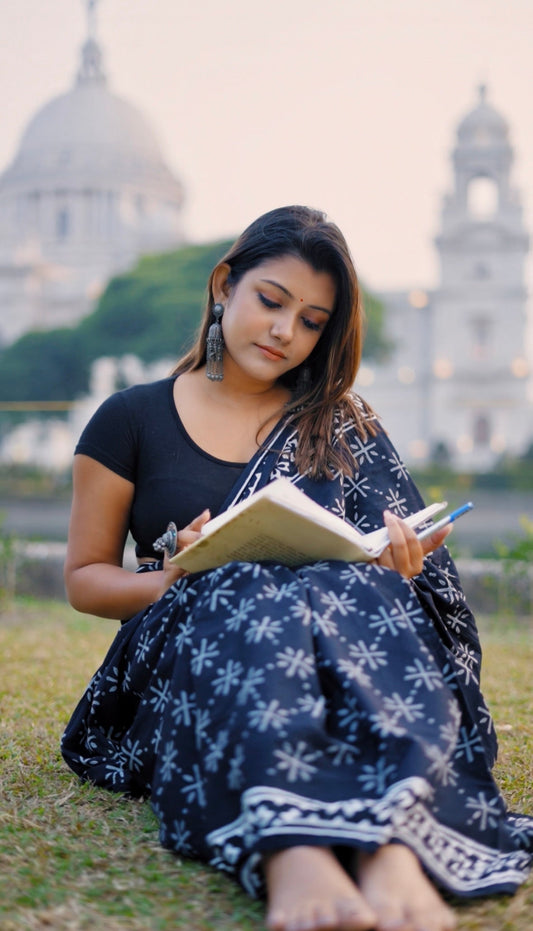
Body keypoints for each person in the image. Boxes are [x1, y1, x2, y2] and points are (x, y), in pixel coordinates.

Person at [61, 205, 533, 931]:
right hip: (190, 662)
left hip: (337, 662)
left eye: (312, 321)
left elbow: (403, 593)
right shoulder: (130, 418)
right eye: (271, 301)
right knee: (241, 580)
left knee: (356, 580)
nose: (285, 331)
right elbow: (85, 578)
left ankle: (393, 848)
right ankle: (294, 849)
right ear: (224, 285)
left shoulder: (340, 423)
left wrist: (397, 564)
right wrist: (176, 576)